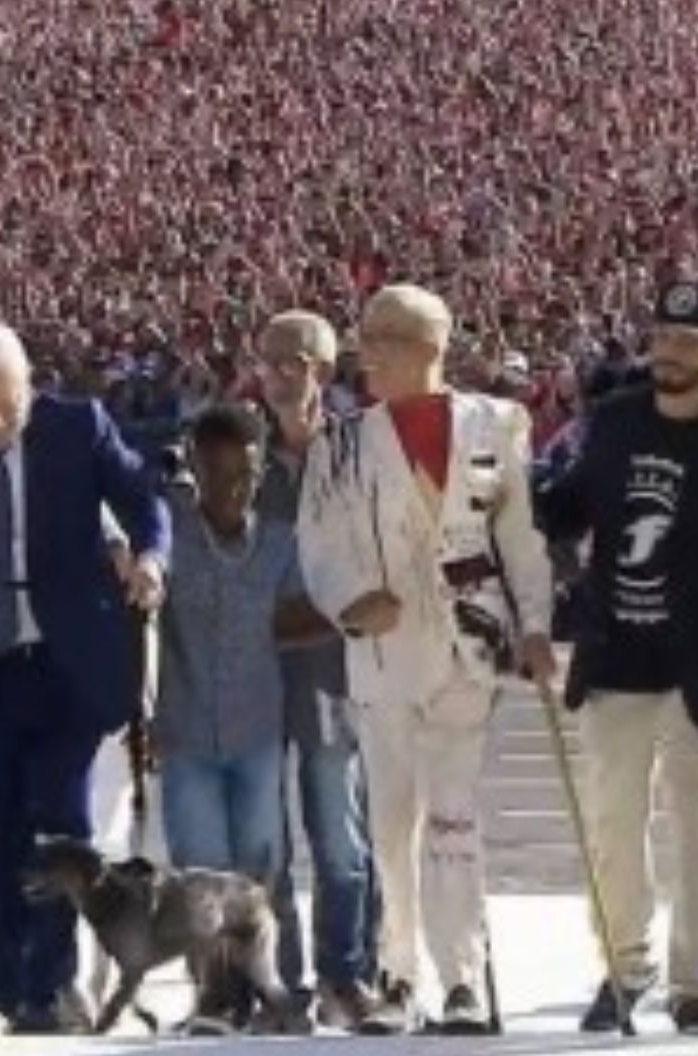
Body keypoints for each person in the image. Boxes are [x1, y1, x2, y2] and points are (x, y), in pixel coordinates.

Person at [0, 322, 169, 1037]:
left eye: (11, 403)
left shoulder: (79, 426)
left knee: (64, 828)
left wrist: (149, 558)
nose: (0, 422)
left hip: (64, 661)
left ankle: (51, 987)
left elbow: (144, 501)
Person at [298, 285, 556, 1035]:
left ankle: (463, 978)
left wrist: (535, 626)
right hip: (381, 656)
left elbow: (522, 537)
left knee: (453, 820)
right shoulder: (340, 442)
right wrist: (350, 601)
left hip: (467, 648)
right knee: (390, 825)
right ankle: (397, 974)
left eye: (381, 340)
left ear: (426, 349)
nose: (364, 354)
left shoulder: (497, 424)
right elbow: (318, 543)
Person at [536, 277, 698, 1036]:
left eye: (688, 341)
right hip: (616, 658)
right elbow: (572, 506)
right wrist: (517, 488)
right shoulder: (612, 422)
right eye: (663, 338)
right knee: (612, 829)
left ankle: (697, 984)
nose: (671, 354)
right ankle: (624, 967)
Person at [154, 403, 327, 1034]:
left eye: (245, 476)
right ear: (194, 469)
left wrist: (353, 612)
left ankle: (279, 994)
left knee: (262, 867)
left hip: (258, 727)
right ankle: (215, 998)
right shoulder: (166, 534)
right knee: (200, 876)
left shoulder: (281, 544)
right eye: (218, 473)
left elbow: (298, 618)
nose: (232, 488)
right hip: (186, 729)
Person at [251, 310, 379, 1031]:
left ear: (323, 373)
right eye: (265, 361)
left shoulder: (361, 453)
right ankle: (280, 983)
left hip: (339, 671)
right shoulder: (241, 453)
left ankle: (346, 974)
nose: (272, 376)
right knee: (266, 843)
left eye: (289, 362)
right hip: (260, 674)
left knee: (340, 838)